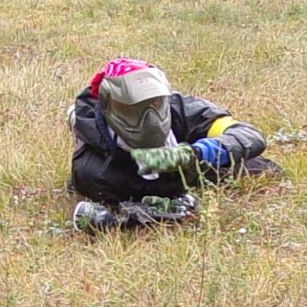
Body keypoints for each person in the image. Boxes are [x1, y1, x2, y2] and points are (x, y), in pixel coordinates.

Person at [67, 57, 279, 232]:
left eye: (155, 104)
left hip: (190, 157)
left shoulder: (181, 108)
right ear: (109, 106)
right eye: (134, 110)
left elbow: (249, 136)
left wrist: (196, 154)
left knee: (258, 167)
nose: (150, 120)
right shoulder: (94, 169)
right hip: (125, 169)